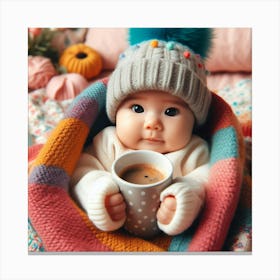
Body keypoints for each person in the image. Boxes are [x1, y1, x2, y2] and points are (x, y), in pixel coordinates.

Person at [70, 29, 212, 236]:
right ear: (115, 112)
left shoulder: (194, 150)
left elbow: (208, 183)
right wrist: (98, 192)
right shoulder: (108, 141)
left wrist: (185, 198)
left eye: (171, 111)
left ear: (194, 121)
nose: (152, 123)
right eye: (137, 109)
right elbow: (80, 172)